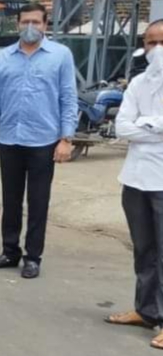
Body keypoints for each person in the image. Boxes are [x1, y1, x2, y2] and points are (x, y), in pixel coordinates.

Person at [0, 3, 77, 279]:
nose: (30, 27)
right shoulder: (5, 56)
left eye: (35, 22)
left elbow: (68, 98)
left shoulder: (60, 55)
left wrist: (66, 139)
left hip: (44, 141)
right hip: (10, 139)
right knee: (10, 201)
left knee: (38, 201)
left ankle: (33, 257)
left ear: (45, 25)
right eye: (25, 22)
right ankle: (10, 251)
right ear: (17, 24)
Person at [105, 20, 163, 348]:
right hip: (136, 178)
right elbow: (122, 128)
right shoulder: (139, 83)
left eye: (161, 42)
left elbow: (133, 127)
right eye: (150, 42)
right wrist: (155, 128)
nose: (156, 49)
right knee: (144, 250)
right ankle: (146, 310)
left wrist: (143, 124)